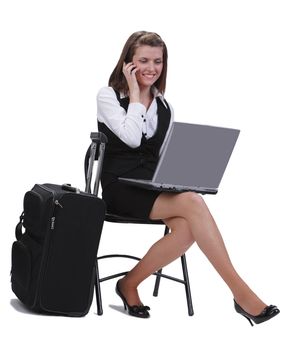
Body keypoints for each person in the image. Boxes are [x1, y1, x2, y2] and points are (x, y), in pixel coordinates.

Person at [96, 31, 279, 324]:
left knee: (186, 227)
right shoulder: (108, 96)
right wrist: (133, 94)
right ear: (128, 62)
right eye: (143, 60)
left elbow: (164, 156)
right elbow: (130, 139)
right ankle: (241, 294)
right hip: (120, 188)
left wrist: (186, 172)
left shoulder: (164, 106)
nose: (151, 68)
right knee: (193, 207)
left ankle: (128, 284)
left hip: (150, 186)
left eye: (157, 61)